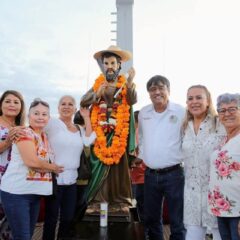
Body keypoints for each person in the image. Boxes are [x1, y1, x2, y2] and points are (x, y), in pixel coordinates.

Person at [80, 45, 137, 214]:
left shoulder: (124, 83)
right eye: (107, 63)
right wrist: (97, 94)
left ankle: (119, 201)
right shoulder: (99, 84)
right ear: (103, 65)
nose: (110, 66)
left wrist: (130, 82)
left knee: (118, 167)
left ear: (119, 65)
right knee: (98, 164)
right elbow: (84, 101)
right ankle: (97, 201)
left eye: (113, 62)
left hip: (120, 130)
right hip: (100, 133)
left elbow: (132, 101)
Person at [1, 98, 63, 240]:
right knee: (22, 236)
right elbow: (32, 162)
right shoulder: (24, 133)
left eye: (44, 114)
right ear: (29, 116)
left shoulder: (44, 136)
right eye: (36, 113)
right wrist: (53, 168)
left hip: (34, 193)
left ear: (48, 118)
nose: (40, 117)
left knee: (27, 234)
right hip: (17, 193)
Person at [138, 75, 185, 239]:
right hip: (150, 174)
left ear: (169, 90)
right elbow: (141, 137)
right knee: (151, 218)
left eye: (160, 88)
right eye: (152, 89)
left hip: (174, 175)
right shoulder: (143, 112)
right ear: (149, 93)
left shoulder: (181, 111)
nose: (157, 92)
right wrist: (144, 156)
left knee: (177, 219)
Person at [42, 95, 96, 240]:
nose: (66, 106)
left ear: (75, 109)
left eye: (70, 104)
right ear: (58, 108)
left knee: (68, 218)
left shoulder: (79, 128)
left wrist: (87, 117)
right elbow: (35, 130)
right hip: (54, 180)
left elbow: (89, 140)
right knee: (51, 219)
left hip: (72, 181)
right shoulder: (52, 123)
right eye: (63, 104)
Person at [182, 85, 224, 240]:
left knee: (219, 234)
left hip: (216, 194)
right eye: (190, 98)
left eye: (199, 97)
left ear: (208, 101)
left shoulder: (220, 124)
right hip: (192, 195)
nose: (194, 102)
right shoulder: (185, 126)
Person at [208, 93, 240, 240]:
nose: (227, 114)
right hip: (223, 210)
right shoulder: (224, 139)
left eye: (232, 109)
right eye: (222, 110)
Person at [0, 90, 26, 240]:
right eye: (8, 101)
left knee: (10, 224)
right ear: (1, 104)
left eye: (16, 102)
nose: (12, 105)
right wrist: (8, 141)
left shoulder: (22, 126)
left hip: (15, 181)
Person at [130, 110, 146, 222]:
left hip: (138, 176)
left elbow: (135, 155)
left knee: (139, 206)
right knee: (142, 206)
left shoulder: (136, 133)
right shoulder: (142, 133)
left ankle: (141, 231)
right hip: (141, 176)